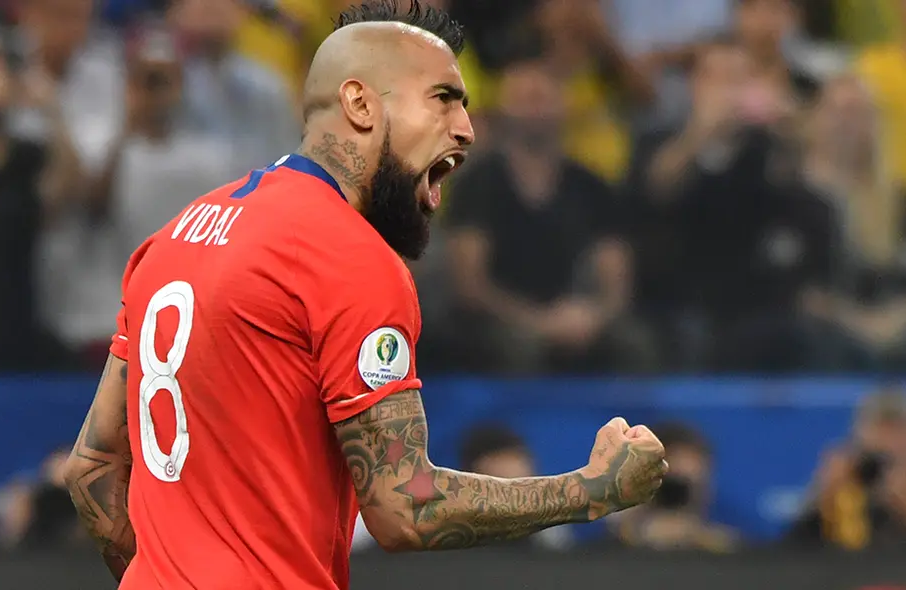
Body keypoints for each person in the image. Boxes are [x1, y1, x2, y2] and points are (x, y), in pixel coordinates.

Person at [62, 2, 668, 589]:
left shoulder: (173, 237)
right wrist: (593, 489)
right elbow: (404, 506)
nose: (467, 128)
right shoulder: (344, 255)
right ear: (359, 103)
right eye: (444, 99)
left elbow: (90, 469)